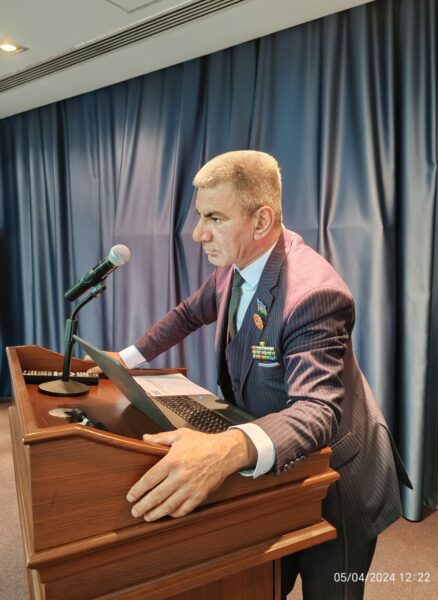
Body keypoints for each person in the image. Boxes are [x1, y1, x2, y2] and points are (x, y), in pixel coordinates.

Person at [93, 150, 411, 599]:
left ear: (261, 221)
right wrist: (125, 359)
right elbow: (187, 315)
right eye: (199, 215)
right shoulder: (234, 267)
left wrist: (225, 449)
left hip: (338, 481)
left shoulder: (314, 293)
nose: (198, 233)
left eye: (215, 218)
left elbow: (316, 410)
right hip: (274, 466)